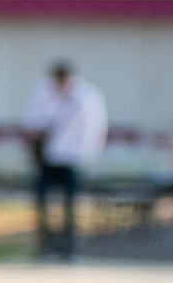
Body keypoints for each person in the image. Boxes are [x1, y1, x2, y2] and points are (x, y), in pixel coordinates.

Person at [21, 59, 108, 262]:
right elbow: (32, 121)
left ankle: (68, 248)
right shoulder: (43, 92)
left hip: (72, 158)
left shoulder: (86, 96)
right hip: (47, 157)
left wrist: (90, 154)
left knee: (70, 205)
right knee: (42, 202)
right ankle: (45, 245)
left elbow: (96, 127)